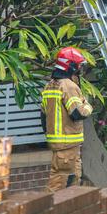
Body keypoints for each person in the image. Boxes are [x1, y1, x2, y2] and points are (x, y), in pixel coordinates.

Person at [41, 46, 93, 192]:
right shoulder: (68, 86)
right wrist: (88, 105)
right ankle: (46, 211)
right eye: (78, 66)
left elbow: (43, 116)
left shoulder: (49, 86)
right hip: (67, 144)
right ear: (70, 66)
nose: (79, 69)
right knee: (58, 183)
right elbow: (78, 113)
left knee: (73, 182)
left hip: (61, 144)